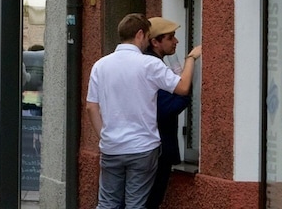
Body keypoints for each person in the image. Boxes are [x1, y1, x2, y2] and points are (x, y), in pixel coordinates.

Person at [86, 14, 202, 209]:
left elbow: (91, 106)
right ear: (140, 34)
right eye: (148, 36)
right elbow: (182, 88)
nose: (148, 41)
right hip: (142, 147)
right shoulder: (149, 64)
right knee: (136, 204)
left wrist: (104, 137)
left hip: (111, 147)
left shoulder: (100, 65)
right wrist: (191, 59)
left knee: (106, 203)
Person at [141, 19, 192, 209]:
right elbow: (167, 108)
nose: (176, 42)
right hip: (157, 147)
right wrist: (185, 91)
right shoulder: (153, 66)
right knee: (149, 200)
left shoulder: (152, 63)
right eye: (170, 38)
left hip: (147, 146)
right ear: (155, 42)